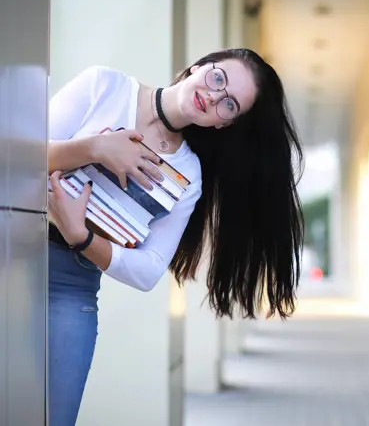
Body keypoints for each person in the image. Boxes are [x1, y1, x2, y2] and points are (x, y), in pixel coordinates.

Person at [46, 48, 304, 426]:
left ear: (223, 124)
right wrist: (96, 148)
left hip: (70, 289)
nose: (215, 95)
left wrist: (80, 237)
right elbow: (15, 155)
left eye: (229, 105)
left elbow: (149, 270)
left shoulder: (187, 175)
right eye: (218, 78)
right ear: (199, 67)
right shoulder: (104, 86)